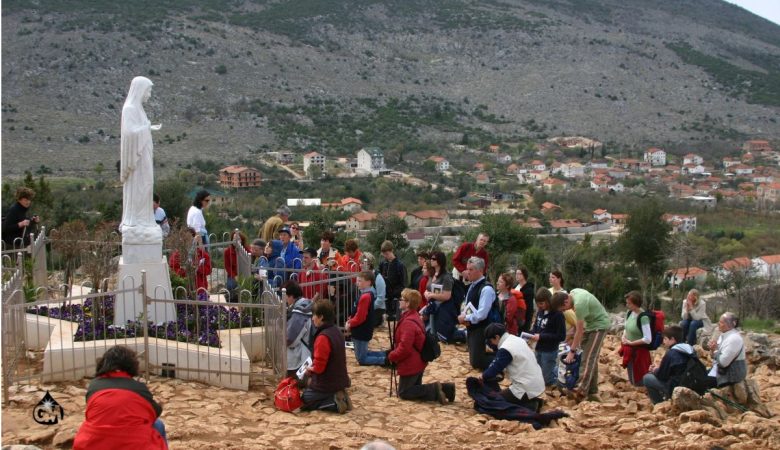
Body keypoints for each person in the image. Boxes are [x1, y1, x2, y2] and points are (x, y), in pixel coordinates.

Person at [73, 345, 167, 449]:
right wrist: (159, 404)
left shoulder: (94, 386)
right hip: (134, 444)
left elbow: (91, 413)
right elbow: (154, 413)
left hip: (92, 443)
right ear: (132, 365)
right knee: (158, 425)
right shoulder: (138, 388)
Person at [388, 289, 455, 404]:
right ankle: (447, 389)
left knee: (405, 392)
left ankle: (436, 389)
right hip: (419, 361)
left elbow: (405, 348)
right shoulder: (414, 317)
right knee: (415, 388)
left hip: (412, 363)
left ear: (408, 303)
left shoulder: (408, 322)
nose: (399, 301)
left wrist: (391, 356)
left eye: (402, 299)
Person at [118, 76, 161, 244]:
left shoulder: (139, 109)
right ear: (140, 90)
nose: (149, 95)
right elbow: (129, 133)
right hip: (137, 161)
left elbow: (138, 130)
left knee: (148, 185)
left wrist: (147, 127)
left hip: (144, 157)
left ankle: (145, 220)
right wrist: (146, 127)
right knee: (140, 187)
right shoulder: (129, 109)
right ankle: (136, 220)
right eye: (148, 90)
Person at [558, 288, 610, 402]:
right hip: (590, 326)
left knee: (588, 358)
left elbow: (579, 330)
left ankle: (580, 390)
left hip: (599, 326)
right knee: (590, 357)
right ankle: (592, 390)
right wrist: (570, 335)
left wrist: (571, 352)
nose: (565, 311)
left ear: (566, 301)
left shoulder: (579, 304)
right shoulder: (573, 293)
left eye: (563, 309)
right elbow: (578, 329)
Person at [480, 323, 545, 412]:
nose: (491, 344)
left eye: (491, 340)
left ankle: (530, 406)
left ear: (497, 337)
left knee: (495, 402)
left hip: (525, 387)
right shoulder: (517, 339)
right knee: (506, 395)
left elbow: (494, 369)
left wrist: (482, 376)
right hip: (536, 383)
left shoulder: (505, 348)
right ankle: (531, 401)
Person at [302, 299, 352, 414]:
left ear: (321, 317)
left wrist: (310, 369)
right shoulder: (336, 331)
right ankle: (337, 395)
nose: (313, 318)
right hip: (339, 378)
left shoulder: (322, 337)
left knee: (305, 399)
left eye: (314, 315)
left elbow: (319, 368)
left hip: (327, 382)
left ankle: (334, 401)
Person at [458, 257, 497, 370]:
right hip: (472, 326)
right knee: (474, 359)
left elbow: (482, 314)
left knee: (477, 362)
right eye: (467, 269)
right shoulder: (472, 286)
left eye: (471, 269)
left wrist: (466, 317)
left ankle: (504, 360)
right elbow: (467, 304)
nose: (467, 272)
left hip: (482, 328)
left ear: (480, 270)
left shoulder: (486, 289)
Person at [642, 325, 696, 404]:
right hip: (691, 384)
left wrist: (655, 370)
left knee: (647, 378)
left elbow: (662, 376)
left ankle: (659, 403)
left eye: (665, 339)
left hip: (676, 386)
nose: (663, 341)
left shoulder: (671, 353)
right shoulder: (690, 349)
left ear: (672, 339)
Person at [345, 271, 385, 366]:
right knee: (364, 353)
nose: (357, 283)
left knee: (362, 359)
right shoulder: (366, 294)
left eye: (360, 281)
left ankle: (385, 360)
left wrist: (350, 323)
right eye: (357, 281)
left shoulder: (365, 296)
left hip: (361, 331)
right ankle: (386, 355)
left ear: (368, 282)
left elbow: (360, 317)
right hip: (362, 330)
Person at [529, 288, 566, 386]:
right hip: (538, 348)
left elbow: (561, 336)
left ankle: (561, 375)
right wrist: (530, 334)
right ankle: (554, 371)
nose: (539, 306)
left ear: (548, 301)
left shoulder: (558, 315)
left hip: (549, 350)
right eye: (538, 304)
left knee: (546, 380)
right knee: (538, 374)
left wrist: (541, 336)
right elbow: (536, 327)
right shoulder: (540, 312)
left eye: (541, 303)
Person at [422, 251, 459, 342]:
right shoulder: (433, 274)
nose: (431, 260)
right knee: (432, 333)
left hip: (443, 309)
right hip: (433, 307)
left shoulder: (446, 277)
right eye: (431, 258)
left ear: (440, 261)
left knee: (444, 335)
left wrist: (431, 295)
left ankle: (463, 335)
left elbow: (447, 296)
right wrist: (427, 293)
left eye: (434, 259)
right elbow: (429, 288)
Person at [619, 291, 652, 386]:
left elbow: (648, 338)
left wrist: (631, 343)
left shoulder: (643, 317)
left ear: (635, 304)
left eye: (629, 303)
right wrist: (623, 336)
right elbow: (627, 327)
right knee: (632, 377)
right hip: (629, 349)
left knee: (638, 380)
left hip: (639, 353)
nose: (627, 305)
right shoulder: (629, 313)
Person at [707, 312, 747, 387]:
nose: (718, 324)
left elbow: (723, 362)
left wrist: (715, 350)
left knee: (697, 382)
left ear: (731, 324)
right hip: (719, 370)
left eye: (721, 322)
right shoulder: (723, 336)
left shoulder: (734, 339)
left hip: (730, 375)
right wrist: (712, 349)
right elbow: (714, 357)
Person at [284, 280, 313, 378]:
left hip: (303, 358)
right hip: (309, 352)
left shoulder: (300, 312)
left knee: (293, 379)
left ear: (291, 296)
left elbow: (290, 339)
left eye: (285, 296)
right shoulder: (305, 304)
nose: (284, 300)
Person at [379, 240, 406, 321]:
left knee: (395, 322)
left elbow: (404, 284)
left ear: (392, 251)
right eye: (384, 254)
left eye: (387, 254)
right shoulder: (382, 264)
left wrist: (394, 293)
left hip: (396, 300)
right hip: (385, 299)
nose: (385, 256)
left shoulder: (400, 266)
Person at [363, 252, 386, 327]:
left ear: (369, 264)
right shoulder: (362, 276)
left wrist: (369, 307)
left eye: (362, 263)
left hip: (377, 308)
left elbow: (381, 298)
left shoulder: (378, 277)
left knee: (366, 323)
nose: (360, 265)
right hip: (366, 307)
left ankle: (382, 318)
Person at [515, 266, 535, 333]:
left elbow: (529, 308)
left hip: (524, 320)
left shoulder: (529, 290)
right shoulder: (515, 287)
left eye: (519, 274)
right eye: (516, 273)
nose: (517, 275)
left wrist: (527, 323)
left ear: (524, 275)